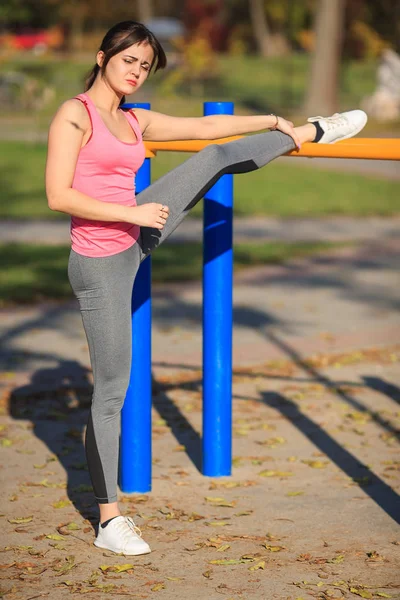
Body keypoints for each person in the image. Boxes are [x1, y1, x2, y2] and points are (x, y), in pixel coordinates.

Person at [45, 20, 367, 557]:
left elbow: (204, 130)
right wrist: (131, 211)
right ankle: (108, 520)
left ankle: (313, 130)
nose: (137, 72)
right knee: (111, 393)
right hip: (100, 262)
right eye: (129, 61)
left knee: (214, 159)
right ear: (103, 58)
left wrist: (270, 119)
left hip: (136, 232)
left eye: (146, 66)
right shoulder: (73, 115)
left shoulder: (135, 119)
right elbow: (59, 195)